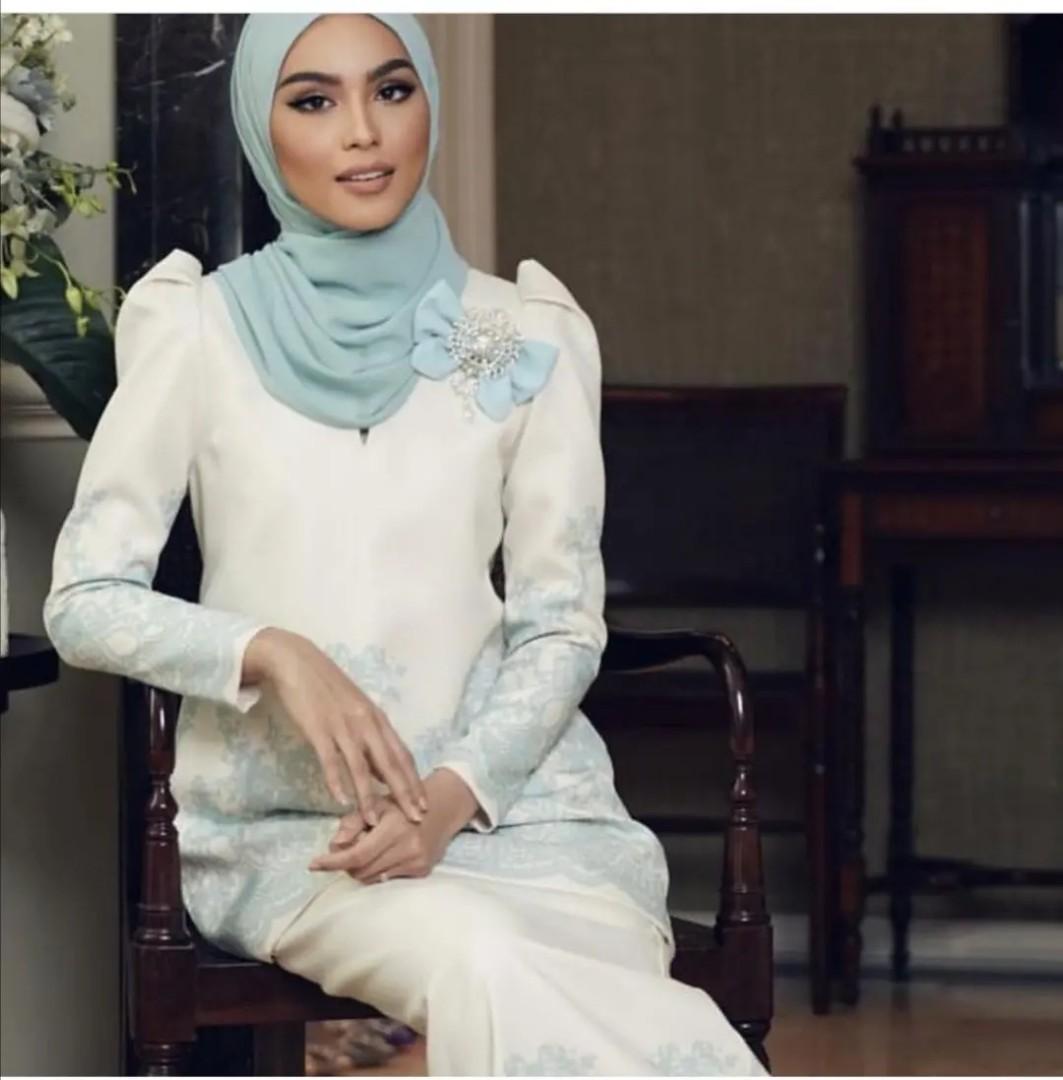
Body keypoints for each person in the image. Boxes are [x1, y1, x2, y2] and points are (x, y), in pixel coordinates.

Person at [43, 13, 767, 1076]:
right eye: (313, 100)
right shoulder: (195, 328)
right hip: (293, 838)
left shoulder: (526, 332)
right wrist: (272, 652)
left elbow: (562, 625)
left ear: (429, 99)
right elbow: (83, 601)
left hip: (522, 818)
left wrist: (449, 798)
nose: (362, 132)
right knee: (481, 954)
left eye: (391, 90)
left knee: (556, 954)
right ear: (261, 128)